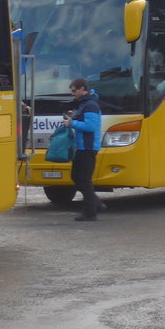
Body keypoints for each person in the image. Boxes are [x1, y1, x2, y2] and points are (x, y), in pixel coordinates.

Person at [65, 77, 102, 222]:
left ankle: (90, 213)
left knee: (84, 180)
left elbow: (91, 127)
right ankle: (96, 203)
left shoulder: (90, 105)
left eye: (74, 91)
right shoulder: (84, 104)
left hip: (88, 147)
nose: (73, 93)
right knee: (76, 177)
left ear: (82, 89)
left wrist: (72, 122)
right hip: (82, 147)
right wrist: (74, 116)